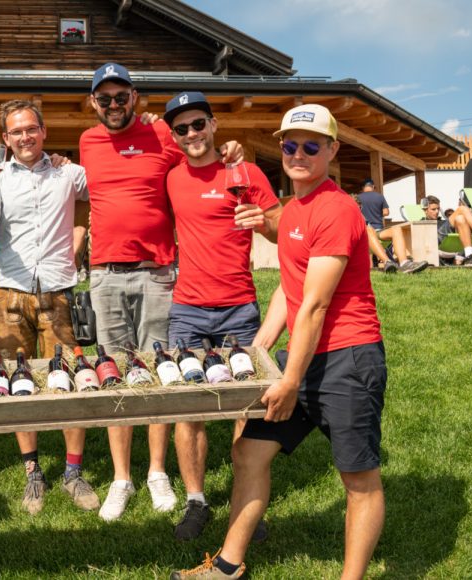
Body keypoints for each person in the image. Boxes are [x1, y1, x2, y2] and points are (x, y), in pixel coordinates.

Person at [172, 104, 388, 580]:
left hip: (348, 358)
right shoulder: (294, 209)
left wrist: (289, 380)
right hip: (305, 356)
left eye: (311, 146)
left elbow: (315, 306)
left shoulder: (336, 209)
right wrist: (259, 350)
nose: (298, 154)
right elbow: (289, 292)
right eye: (290, 145)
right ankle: (227, 567)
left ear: (332, 150)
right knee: (248, 452)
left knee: (358, 478)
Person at [80, 63, 243, 521]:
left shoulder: (162, 134)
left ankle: (156, 471)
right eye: (105, 99)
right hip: (105, 274)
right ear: (93, 103)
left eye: (121, 97)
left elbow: (200, 155)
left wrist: (231, 150)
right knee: (114, 374)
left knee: (157, 371)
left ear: (135, 97)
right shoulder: (87, 141)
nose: (114, 105)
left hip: (156, 273)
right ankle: (121, 478)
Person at [0, 99, 98, 516]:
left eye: (31, 129)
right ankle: (32, 471)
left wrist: (80, 240)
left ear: (43, 132)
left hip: (58, 291)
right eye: (16, 131)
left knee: (71, 379)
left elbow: (99, 193)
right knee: (17, 381)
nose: (24, 137)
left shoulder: (69, 173)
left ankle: (73, 471)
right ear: (6, 139)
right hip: (10, 293)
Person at [161, 91, 281, 541]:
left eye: (199, 124)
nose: (191, 133)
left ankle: (244, 499)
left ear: (213, 125)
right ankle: (196, 501)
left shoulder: (244, 172)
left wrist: (261, 221)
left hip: (238, 307)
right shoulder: (172, 176)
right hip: (187, 308)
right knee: (188, 408)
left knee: (245, 408)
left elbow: (279, 226)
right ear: (175, 136)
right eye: (182, 128)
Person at [356, 180, 428, 273]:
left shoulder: (359, 198)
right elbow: (386, 212)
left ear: (363, 188)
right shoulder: (379, 197)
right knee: (369, 232)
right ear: (373, 187)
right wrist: (376, 213)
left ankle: (404, 263)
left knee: (396, 229)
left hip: (375, 232)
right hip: (366, 232)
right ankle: (386, 262)